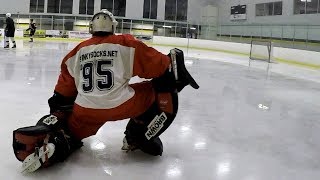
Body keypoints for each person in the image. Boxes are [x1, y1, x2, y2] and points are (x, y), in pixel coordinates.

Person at [12, 9, 199, 173]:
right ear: (113, 27)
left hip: (85, 110)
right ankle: (137, 136)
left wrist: (59, 114)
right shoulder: (126, 43)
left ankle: (57, 144)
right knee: (160, 87)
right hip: (122, 105)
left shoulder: (75, 52)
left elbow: (62, 93)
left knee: (71, 134)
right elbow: (161, 67)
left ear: (91, 28)